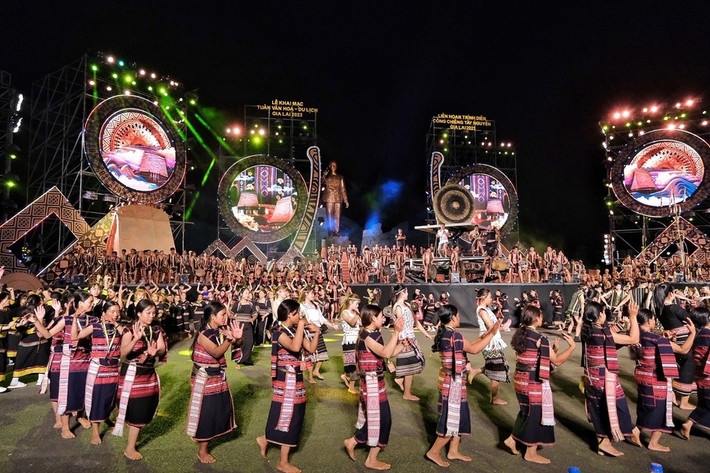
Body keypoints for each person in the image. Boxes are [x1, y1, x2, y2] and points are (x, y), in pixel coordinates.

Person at [425, 304, 501, 467]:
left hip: (452, 382)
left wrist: (488, 333)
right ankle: (434, 452)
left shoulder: (447, 334)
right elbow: (473, 349)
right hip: (453, 384)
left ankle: (453, 451)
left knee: (458, 417)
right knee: (451, 420)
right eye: (458, 315)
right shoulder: (454, 335)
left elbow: (469, 345)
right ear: (452, 318)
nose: (460, 318)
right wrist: (493, 333)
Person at [503, 305, 576, 464]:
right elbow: (556, 360)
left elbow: (527, 356)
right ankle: (530, 452)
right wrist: (572, 347)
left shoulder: (520, 333)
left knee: (526, 411)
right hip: (532, 380)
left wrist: (551, 350)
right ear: (536, 319)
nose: (543, 319)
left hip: (520, 378)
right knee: (536, 413)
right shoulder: (539, 338)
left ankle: (512, 439)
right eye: (541, 316)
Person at [257, 299, 320, 473]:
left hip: (295, 378)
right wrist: (301, 324)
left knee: (289, 414)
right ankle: (282, 462)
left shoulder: (293, 330)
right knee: (290, 416)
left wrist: (317, 333)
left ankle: (265, 439)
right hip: (287, 380)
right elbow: (295, 346)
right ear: (290, 314)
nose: (300, 315)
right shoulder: (279, 332)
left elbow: (311, 348)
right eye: (298, 313)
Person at [344, 304, 404, 470]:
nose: (383, 318)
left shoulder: (368, 334)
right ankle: (371, 459)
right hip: (371, 386)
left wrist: (402, 345)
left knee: (377, 419)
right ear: (372, 319)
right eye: (380, 316)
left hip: (374, 384)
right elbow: (385, 353)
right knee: (383, 420)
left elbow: (387, 352)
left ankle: (352, 442)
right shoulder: (370, 337)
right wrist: (397, 332)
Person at [581, 300, 641, 457]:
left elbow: (608, 336)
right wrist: (633, 317)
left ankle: (603, 441)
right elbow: (633, 339)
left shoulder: (587, 330)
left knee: (599, 409)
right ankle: (606, 442)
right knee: (618, 408)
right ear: (600, 315)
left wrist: (620, 325)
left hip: (592, 377)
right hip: (604, 379)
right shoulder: (600, 333)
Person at [187, 301, 244, 463]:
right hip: (204, 378)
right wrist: (228, 339)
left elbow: (235, 345)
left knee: (214, 410)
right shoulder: (204, 334)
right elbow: (217, 352)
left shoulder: (218, 330)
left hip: (215, 376)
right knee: (207, 412)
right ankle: (202, 451)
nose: (226, 317)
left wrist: (237, 339)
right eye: (223, 315)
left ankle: (199, 435)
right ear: (213, 317)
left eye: (226, 314)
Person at [632, 308, 695, 452]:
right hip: (656, 379)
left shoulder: (637, 336)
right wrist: (692, 333)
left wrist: (665, 339)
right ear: (649, 321)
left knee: (647, 406)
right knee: (661, 409)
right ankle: (653, 442)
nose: (654, 321)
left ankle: (636, 430)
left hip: (642, 376)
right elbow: (683, 349)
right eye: (653, 319)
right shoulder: (657, 340)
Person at [113, 299, 167, 460]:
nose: (152, 316)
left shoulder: (156, 329)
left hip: (148, 374)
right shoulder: (129, 330)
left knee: (142, 408)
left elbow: (162, 348)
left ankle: (130, 443)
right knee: (134, 408)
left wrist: (154, 352)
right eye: (148, 313)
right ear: (138, 313)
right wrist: (136, 339)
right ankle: (130, 448)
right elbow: (123, 353)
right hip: (131, 374)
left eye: (153, 313)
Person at [70, 301, 126, 445]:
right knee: (97, 399)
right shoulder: (95, 326)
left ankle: (107, 418)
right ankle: (95, 432)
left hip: (115, 370)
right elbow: (75, 337)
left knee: (112, 399)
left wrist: (116, 324)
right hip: (98, 370)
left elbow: (128, 337)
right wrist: (75, 319)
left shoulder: (121, 328)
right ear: (103, 313)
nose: (116, 314)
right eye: (112, 311)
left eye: (118, 311)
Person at [653, 282, 696, 409]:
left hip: (672, 340)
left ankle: (672, 396)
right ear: (671, 294)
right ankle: (684, 402)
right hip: (684, 340)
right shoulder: (674, 308)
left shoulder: (659, 309)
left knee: (675, 368)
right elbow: (690, 321)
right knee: (688, 365)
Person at [392, 284, 432, 401]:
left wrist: (426, 334)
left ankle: (400, 380)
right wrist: (404, 340)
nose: (408, 294)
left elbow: (416, 321)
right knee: (411, 365)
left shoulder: (408, 305)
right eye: (406, 292)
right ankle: (407, 393)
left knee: (416, 362)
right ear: (402, 292)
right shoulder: (398, 306)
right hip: (405, 339)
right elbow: (401, 324)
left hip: (411, 337)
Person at [472, 288, 509, 404]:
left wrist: (498, 318)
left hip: (493, 342)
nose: (491, 299)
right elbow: (491, 327)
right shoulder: (482, 311)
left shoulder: (486, 309)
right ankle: (494, 398)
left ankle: (475, 371)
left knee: (497, 366)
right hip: (490, 344)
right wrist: (500, 324)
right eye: (490, 297)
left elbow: (493, 325)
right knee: (496, 371)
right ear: (484, 298)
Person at [680, 306, 710, 439]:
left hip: (700, 375)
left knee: (705, 404)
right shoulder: (707, 335)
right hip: (707, 375)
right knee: (706, 404)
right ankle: (689, 423)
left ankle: (689, 423)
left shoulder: (697, 334)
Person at [299, 285, 338, 383]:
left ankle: (316, 370)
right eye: (312, 293)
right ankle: (310, 376)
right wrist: (308, 325)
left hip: (318, 331)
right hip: (308, 331)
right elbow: (302, 319)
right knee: (311, 355)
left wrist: (332, 325)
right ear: (306, 294)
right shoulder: (301, 306)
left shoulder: (315, 305)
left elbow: (322, 318)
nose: (314, 295)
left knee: (322, 353)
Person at [339, 294, 361, 394]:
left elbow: (362, 325)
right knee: (352, 365)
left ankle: (346, 376)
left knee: (357, 363)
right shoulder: (345, 312)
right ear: (351, 303)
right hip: (349, 342)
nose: (357, 306)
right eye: (356, 304)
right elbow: (352, 323)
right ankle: (351, 387)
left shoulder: (355, 313)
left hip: (357, 341)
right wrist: (357, 314)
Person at [322, 160, 349, 236]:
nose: (334, 167)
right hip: (329, 198)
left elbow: (343, 189)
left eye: (335, 165)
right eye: (332, 165)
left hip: (338, 198)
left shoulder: (340, 177)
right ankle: (331, 231)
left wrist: (346, 200)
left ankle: (337, 231)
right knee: (329, 215)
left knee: (337, 215)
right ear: (330, 166)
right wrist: (324, 175)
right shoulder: (327, 177)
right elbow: (321, 183)